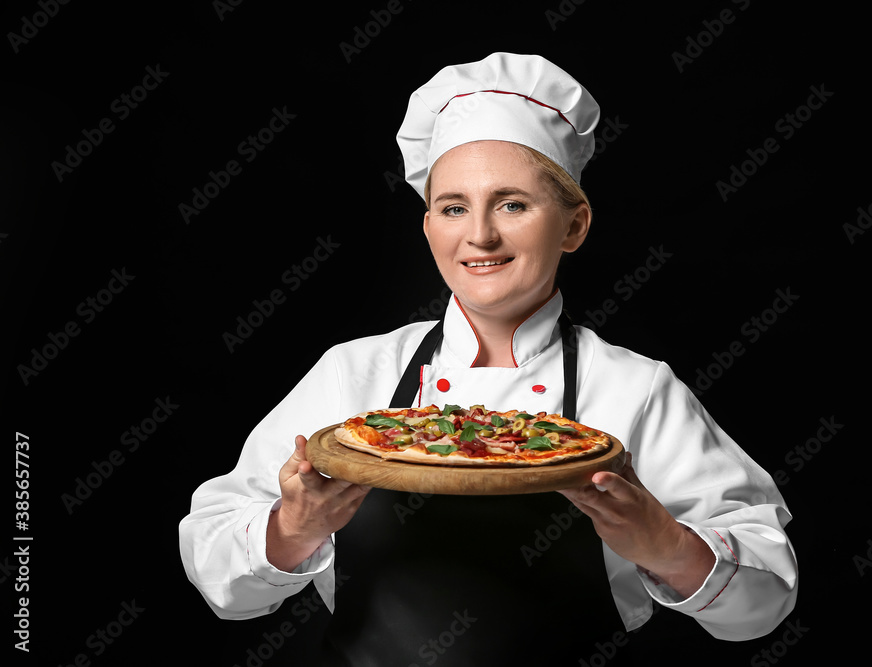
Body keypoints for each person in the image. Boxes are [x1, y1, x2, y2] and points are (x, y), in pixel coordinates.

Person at [179, 52, 797, 664]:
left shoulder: (635, 389)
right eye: (453, 208)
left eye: (512, 204)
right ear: (428, 228)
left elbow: (762, 607)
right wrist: (292, 530)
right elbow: (218, 576)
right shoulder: (354, 376)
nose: (479, 235)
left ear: (575, 225)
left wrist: (664, 543)